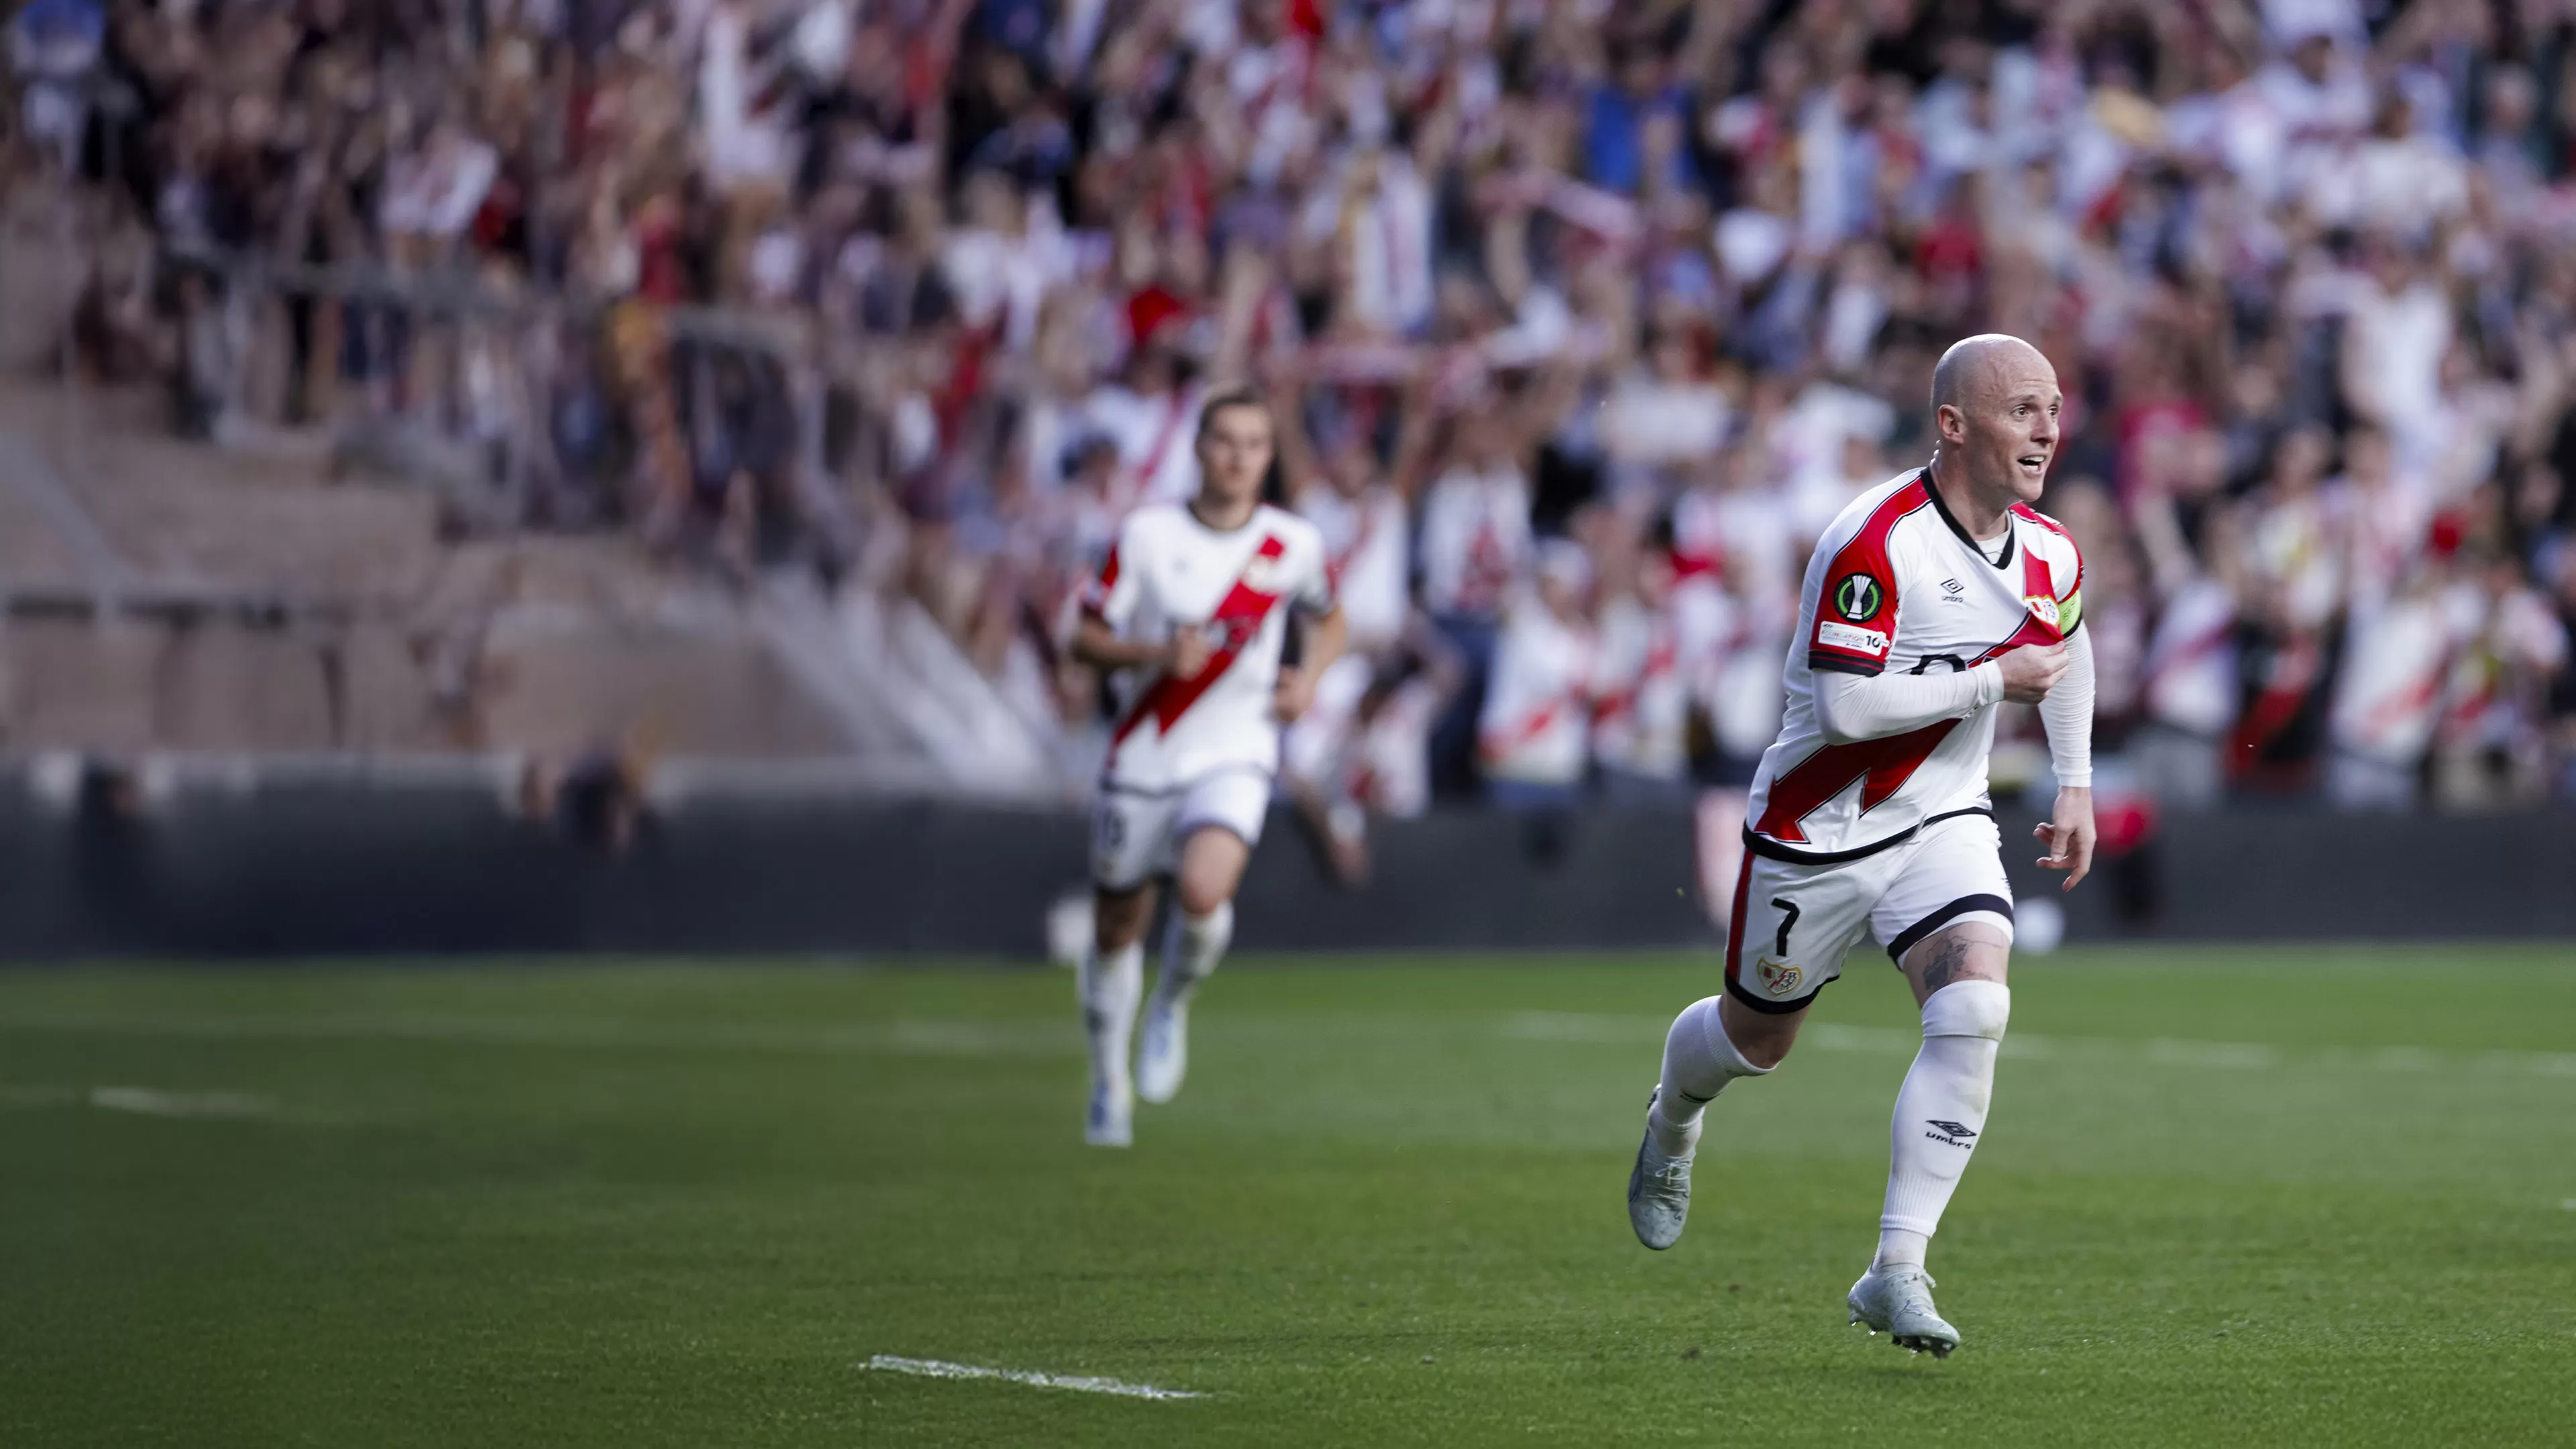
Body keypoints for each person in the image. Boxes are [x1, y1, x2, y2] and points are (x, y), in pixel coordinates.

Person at [1624, 334, 2097, 1358]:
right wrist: (1989, 683)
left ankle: (1897, 1268)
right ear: (1953, 425)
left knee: (1975, 1006)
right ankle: (1672, 1116)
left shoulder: (2050, 548)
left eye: (2054, 407)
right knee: (1759, 1044)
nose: (2048, 428)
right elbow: (1844, 707)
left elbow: (2066, 650)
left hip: (1946, 816)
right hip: (1819, 829)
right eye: (2023, 408)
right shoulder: (1874, 540)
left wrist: (2074, 781)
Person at [1069, 386, 1346, 1147]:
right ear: (1198, 447)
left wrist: (1309, 679)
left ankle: (1173, 1003)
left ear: (1269, 455)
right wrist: (1158, 653)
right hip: (1148, 744)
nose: (1237, 457)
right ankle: (1107, 1082)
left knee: (1203, 886)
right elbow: (1085, 638)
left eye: (1254, 444)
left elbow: (1331, 618)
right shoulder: (1147, 535)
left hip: (1238, 744)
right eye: (1225, 440)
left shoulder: (1291, 543)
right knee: (1117, 924)